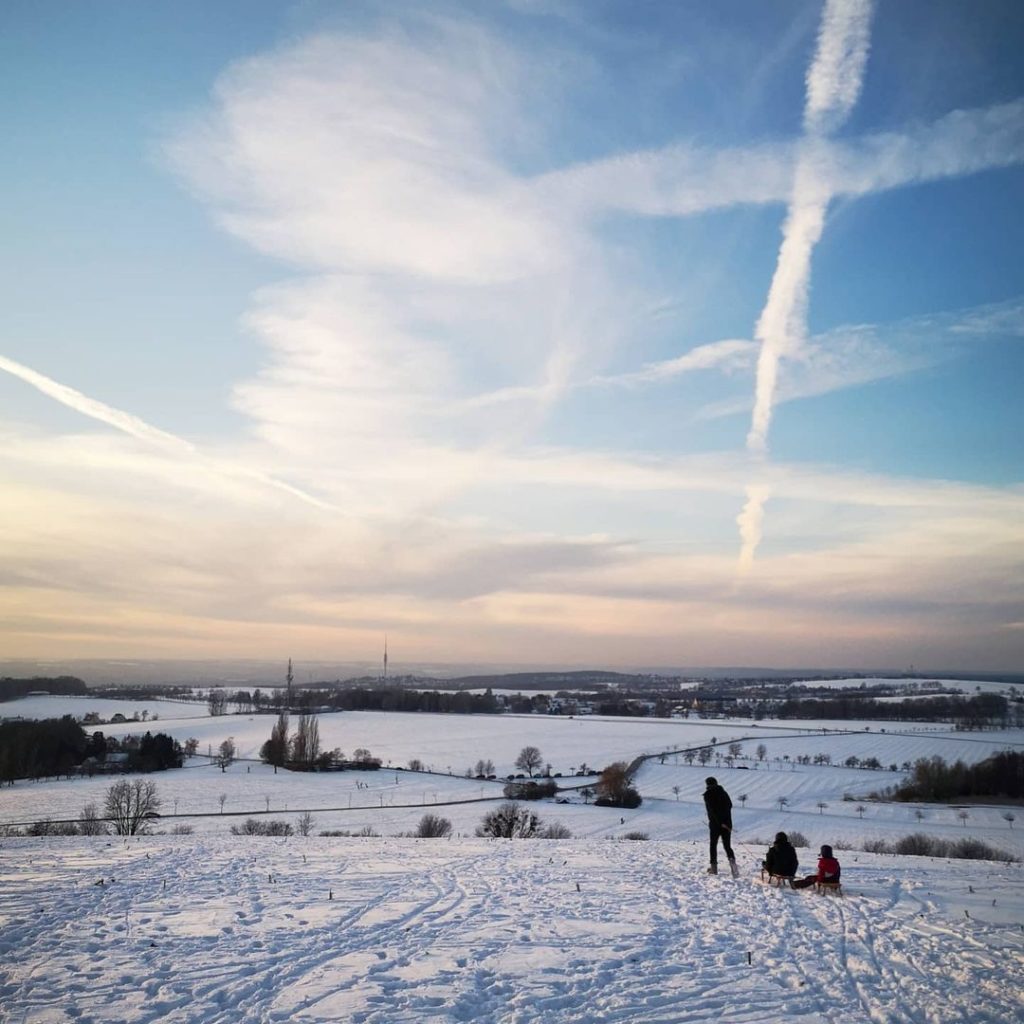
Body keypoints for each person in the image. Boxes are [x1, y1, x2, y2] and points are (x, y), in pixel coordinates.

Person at [703, 777, 736, 875]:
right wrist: (726, 822)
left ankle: (714, 869)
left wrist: (720, 822)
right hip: (727, 824)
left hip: (715, 825)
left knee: (713, 845)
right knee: (727, 846)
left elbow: (712, 811)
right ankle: (734, 869)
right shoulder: (724, 793)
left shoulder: (708, 795)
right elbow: (730, 805)